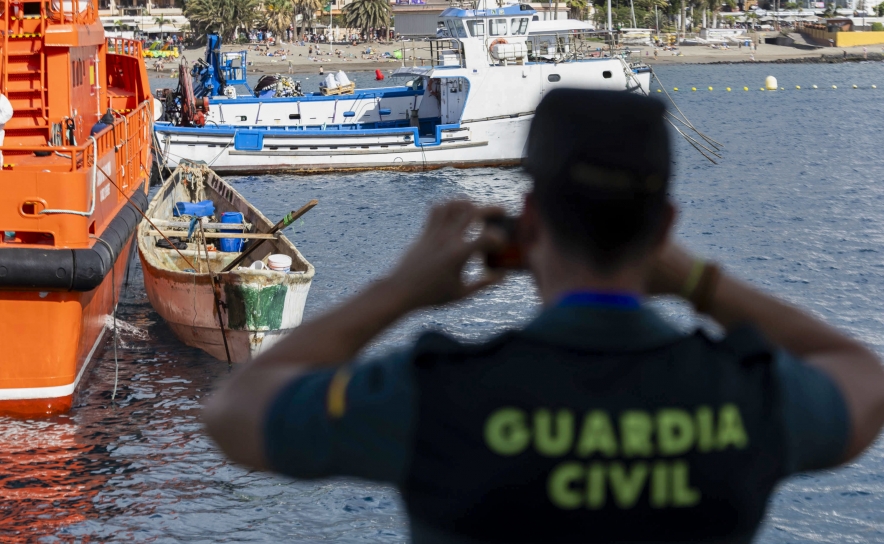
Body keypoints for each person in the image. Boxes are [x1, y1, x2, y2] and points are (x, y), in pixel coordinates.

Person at [204, 89, 884, 544]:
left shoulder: (436, 394)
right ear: (665, 228)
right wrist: (695, 280)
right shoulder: (742, 396)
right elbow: (863, 377)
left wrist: (400, 289)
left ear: (528, 223)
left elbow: (235, 412)